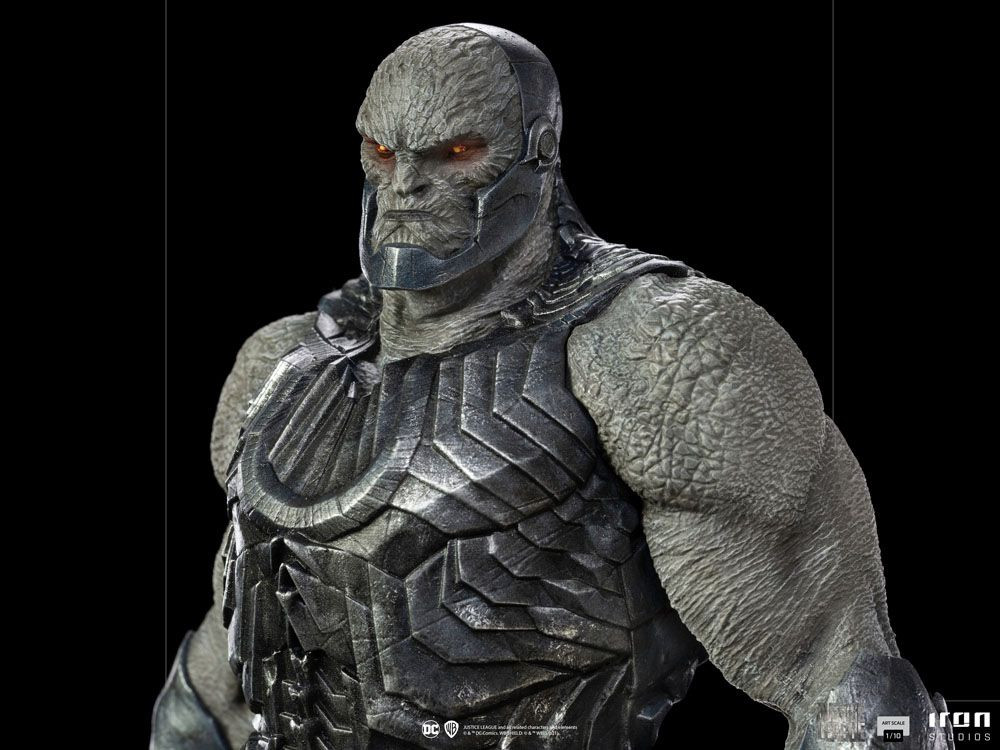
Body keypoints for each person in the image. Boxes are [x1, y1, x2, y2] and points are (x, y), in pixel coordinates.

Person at [152, 23, 954, 750]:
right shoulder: (284, 364)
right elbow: (228, 669)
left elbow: (847, 685)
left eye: (455, 153)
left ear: (538, 151)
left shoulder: (656, 349)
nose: (406, 187)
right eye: (383, 153)